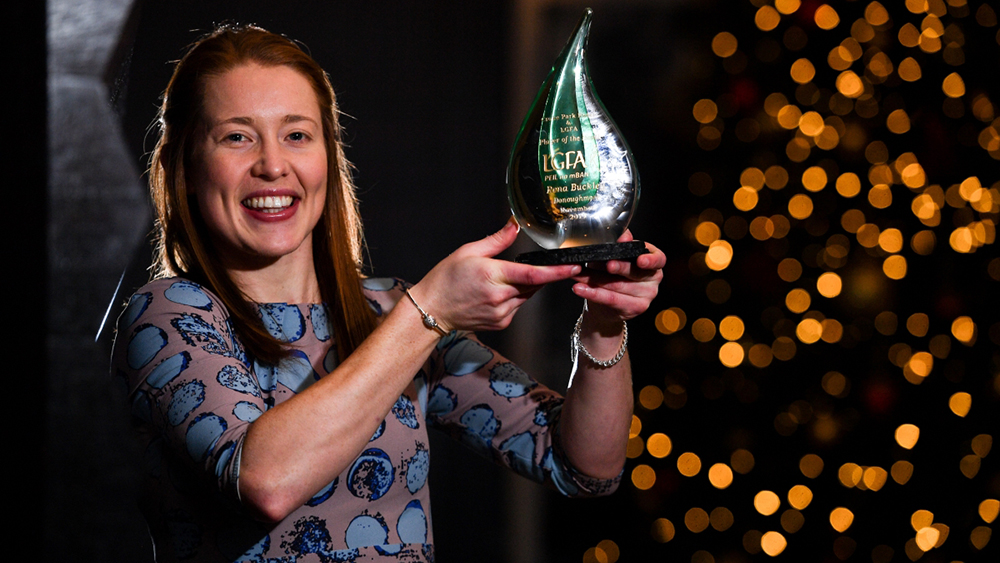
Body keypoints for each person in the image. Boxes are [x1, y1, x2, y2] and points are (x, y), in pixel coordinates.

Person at [111, 24, 665, 562]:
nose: (273, 165)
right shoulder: (166, 316)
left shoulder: (391, 311)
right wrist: (428, 314)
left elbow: (584, 466)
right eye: (237, 136)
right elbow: (265, 481)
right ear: (184, 167)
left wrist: (602, 322)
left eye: (297, 135)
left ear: (328, 156)